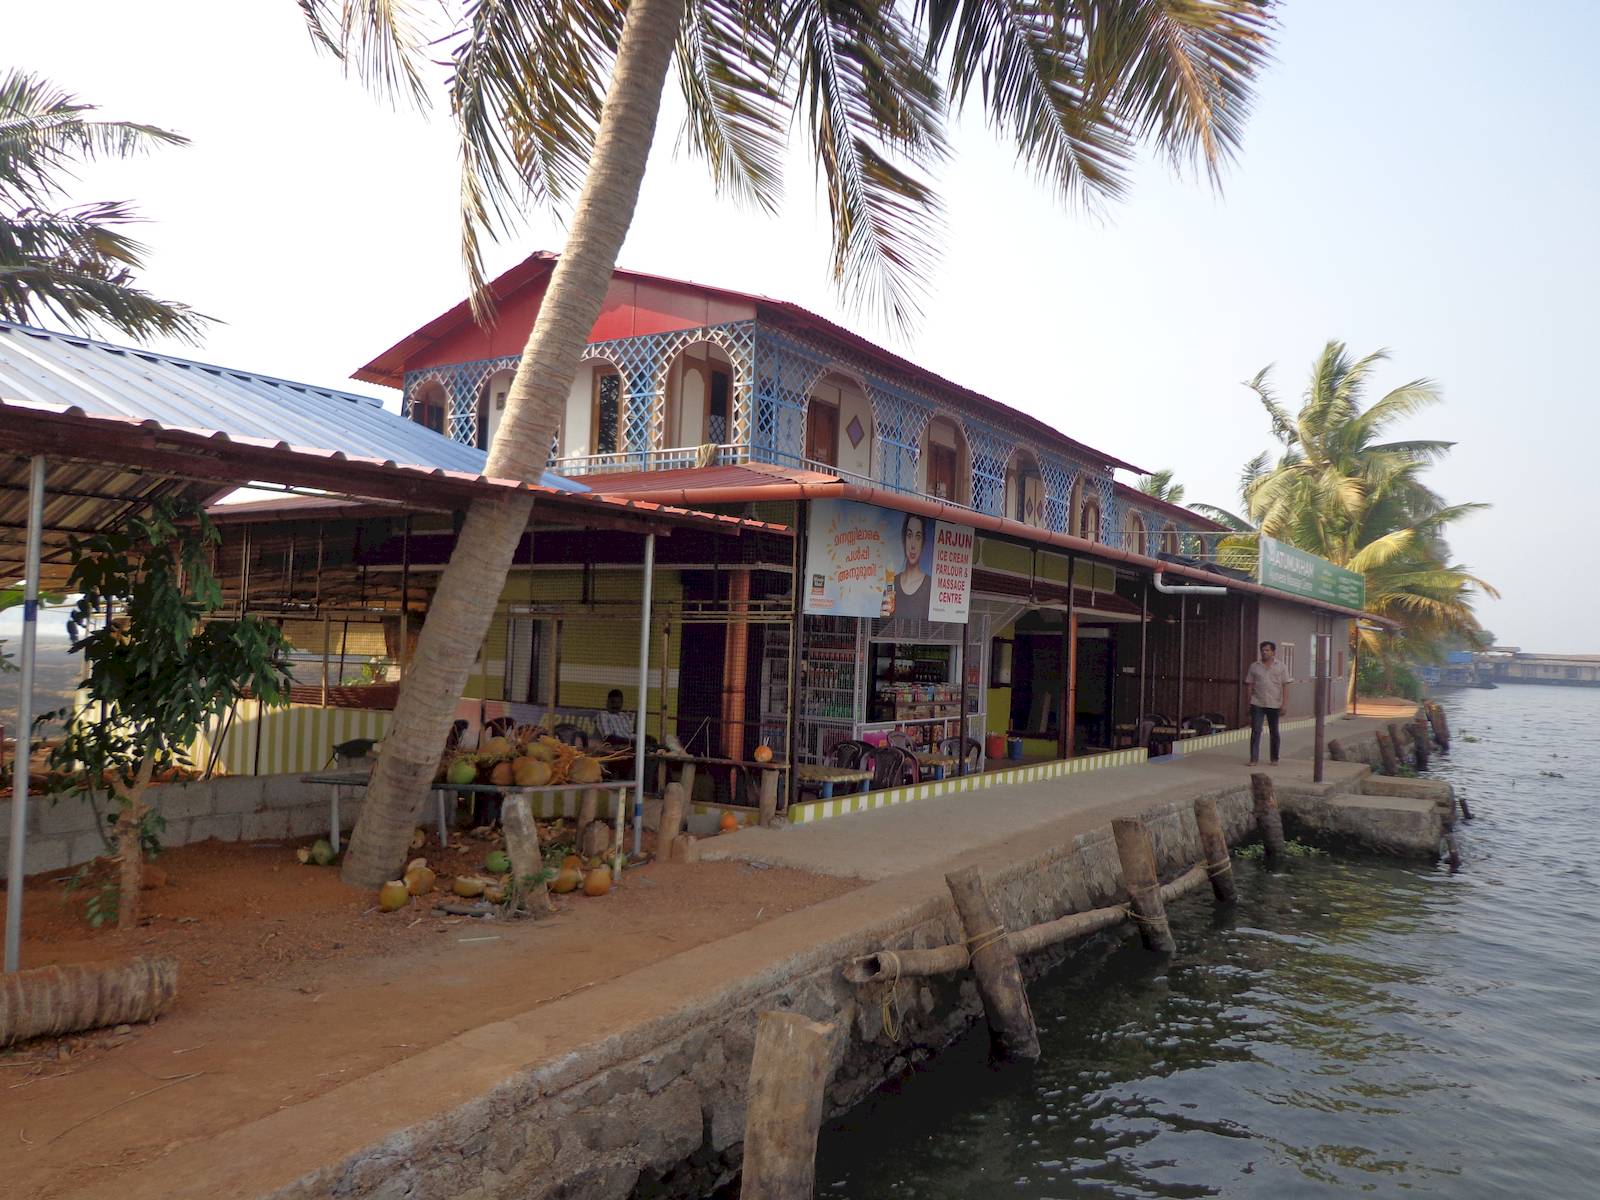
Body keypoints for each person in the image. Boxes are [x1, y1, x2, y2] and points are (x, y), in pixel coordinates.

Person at [1244, 641, 1292, 765]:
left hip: (1274, 703)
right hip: (1257, 702)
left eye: (1267, 650)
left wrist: (1284, 704)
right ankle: (1253, 759)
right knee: (1256, 730)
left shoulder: (1281, 667)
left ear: (1273, 652)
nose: (1264, 653)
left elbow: (1285, 686)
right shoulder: (1254, 666)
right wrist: (1248, 702)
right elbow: (1249, 685)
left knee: (1274, 731)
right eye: (1262, 650)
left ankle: (1274, 758)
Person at [892, 514, 931, 622]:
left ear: (923, 542)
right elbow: (883, 626)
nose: (913, 545)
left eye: (918, 537)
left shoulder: (930, 585)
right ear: (904, 540)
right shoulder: (892, 583)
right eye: (909, 535)